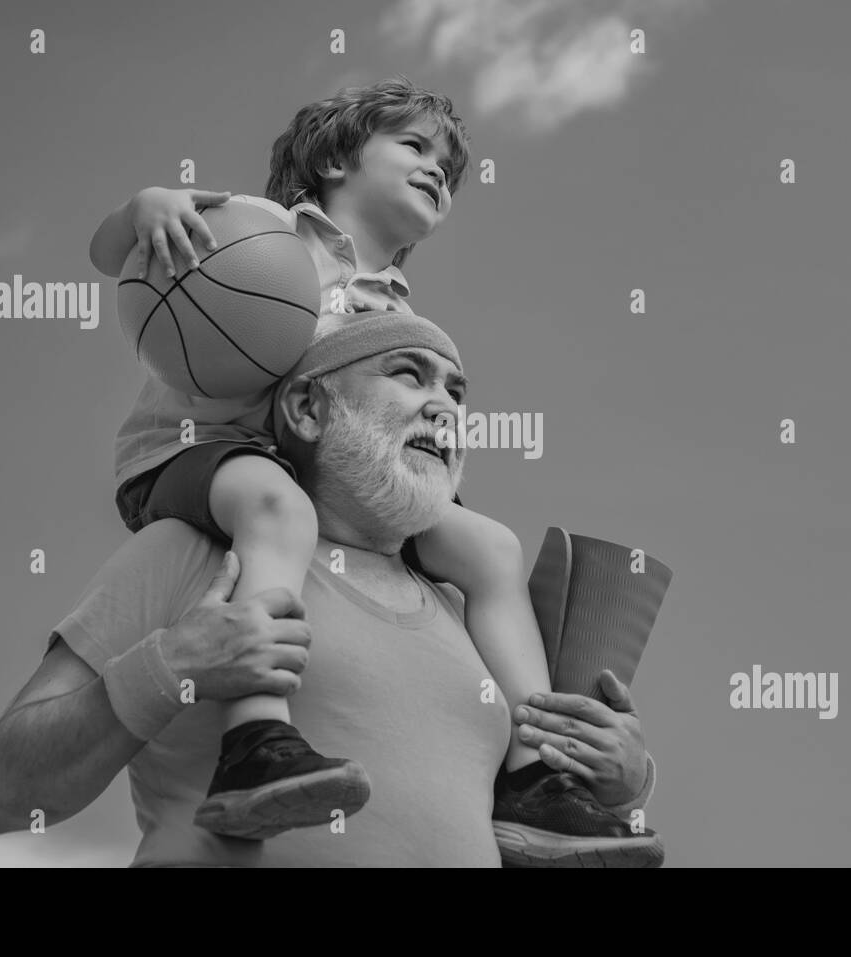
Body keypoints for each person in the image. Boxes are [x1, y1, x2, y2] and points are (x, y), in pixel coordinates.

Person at [87, 77, 595, 850]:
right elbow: (110, 249)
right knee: (279, 511)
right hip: (197, 450)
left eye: (448, 170)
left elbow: (375, 443)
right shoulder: (262, 230)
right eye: (414, 147)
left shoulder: (395, 305)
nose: (436, 170)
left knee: (492, 547)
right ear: (333, 159)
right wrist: (148, 205)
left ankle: (537, 774)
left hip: (307, 465)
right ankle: (257, 738)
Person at [0, 311, 663, 867]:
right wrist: (173, 666)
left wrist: (621, 783)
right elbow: (6, 790)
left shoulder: (473, 616)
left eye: (458, 391)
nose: (444, 407)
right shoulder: (189, 555)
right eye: (409, 374)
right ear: (307, 407)